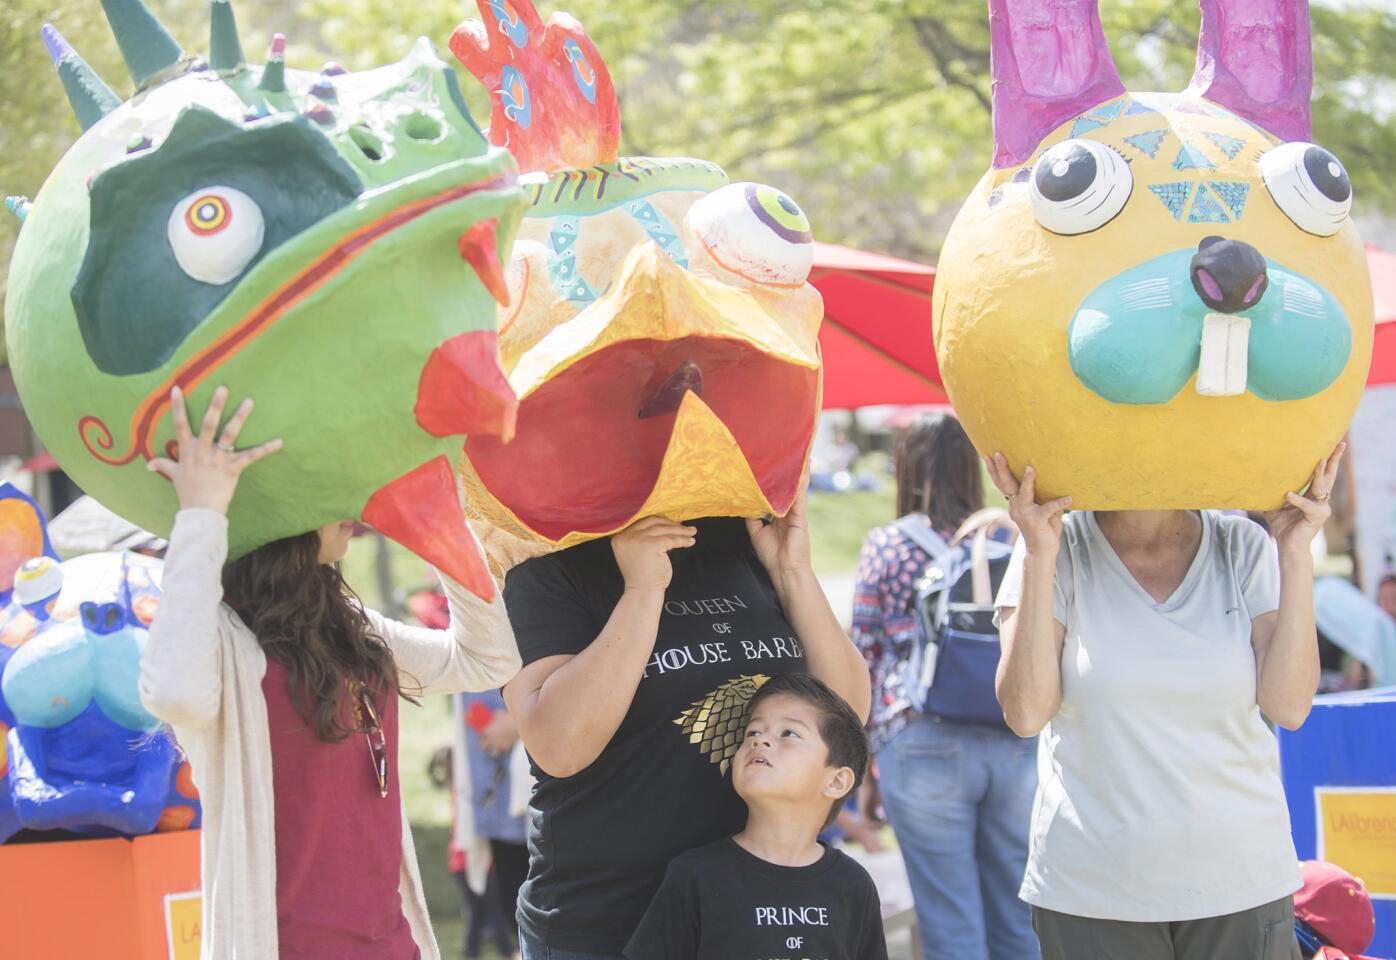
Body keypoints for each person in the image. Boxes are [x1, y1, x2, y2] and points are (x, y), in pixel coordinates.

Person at [138, 386, 522, 960]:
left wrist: (446, 532)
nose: (351, 501)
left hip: (394, 946)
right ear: (280, 513)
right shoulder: (223, 641)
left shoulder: (350, 630)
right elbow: (174, 694)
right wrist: (202, 513)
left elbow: (487, 661)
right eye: (326, 488)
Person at [989, 444, 1343, 960]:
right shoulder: (1049, 547)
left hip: (1241, 882)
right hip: (1093, 892)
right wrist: (1041, 556)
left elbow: (1289, 706)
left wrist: (1295, 551)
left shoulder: (1243, 545)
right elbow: (1024, 714)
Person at [503, 491, 872, 959]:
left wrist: (791, 571)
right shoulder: (547, 563)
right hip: (610, 924)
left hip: (751, 917)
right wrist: (641, 593)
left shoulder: (743, 533)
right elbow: (559, 746)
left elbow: (845, 719)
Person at [851, 413, 1037, 960]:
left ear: (908, 466)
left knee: (948, 918)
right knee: (1018, 915)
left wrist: (865, 762)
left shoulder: (888, 545)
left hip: (919, 736)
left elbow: (864, 654)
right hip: (1014, 734)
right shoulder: (1010, 541)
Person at [623, 674, 888, 960]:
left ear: (836, 782)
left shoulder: (853, 885)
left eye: (789, 733)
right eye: (752, 732)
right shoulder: (695, 876)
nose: (760, 740)